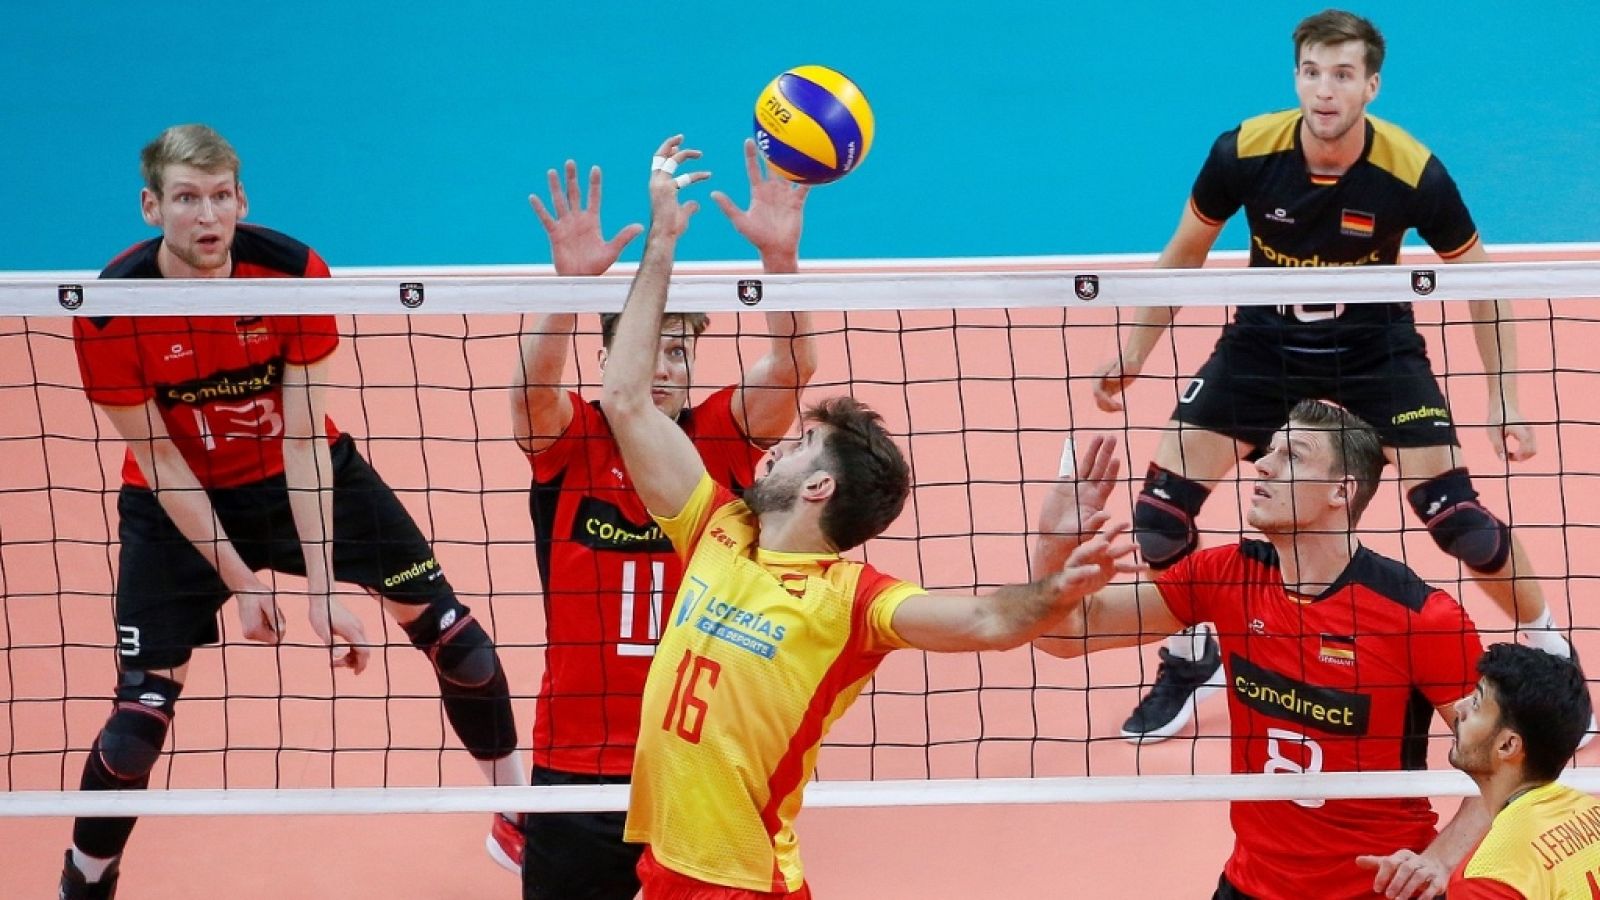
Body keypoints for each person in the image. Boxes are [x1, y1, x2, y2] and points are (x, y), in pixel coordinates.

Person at [608, 135, 1136, 897]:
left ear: (819, 489)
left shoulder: (853, 602)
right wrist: (662, 242)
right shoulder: (716, 529)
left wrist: (1061, 589)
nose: (773, 454)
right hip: (664, 868)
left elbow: (990, 623)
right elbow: (625, 401)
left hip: (744, 883)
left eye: (798, 448)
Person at [59, 124, 525, 899]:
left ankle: (520, 815)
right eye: (185, 199)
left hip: (300, 475)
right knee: (136, 724)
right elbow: (165, 463)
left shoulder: (292, 273)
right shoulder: (110, 310)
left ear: (241, 200)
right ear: (152, 208)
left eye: (219, 197)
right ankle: (85, 877)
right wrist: (243, 582)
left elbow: (306, 438)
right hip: (178, 505)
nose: (206, 216)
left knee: (458, 641)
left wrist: (318, 585)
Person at [1089, 8, 1580, 744]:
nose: (1325, 90)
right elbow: (1183, 253)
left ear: (1371, 86)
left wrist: (1505, 395)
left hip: (1375, 353)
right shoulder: (1245, 152)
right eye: (1313, 73)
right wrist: (1134, 351)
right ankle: (1193, 654)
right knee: (1159, 523)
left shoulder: (1409, 170)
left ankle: (1551, 649)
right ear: (1297, 78)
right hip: (1262, 350)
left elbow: (1485, 282)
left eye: (1343, 75)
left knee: (1463, 526)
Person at [496, 141, 817, 898]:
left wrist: (780, 261)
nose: (667, 367)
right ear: (615, 359)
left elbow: (794, 369)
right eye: (651, 350)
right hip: (579, 756)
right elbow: (528, 390)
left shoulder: (723, 435)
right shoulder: (570, 441)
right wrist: (571, 292)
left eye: (681, 350)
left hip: (697, 748)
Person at [1036, 399, 1491, 899]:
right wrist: (1051, 545)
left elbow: (1509, 763)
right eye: (1269, 450)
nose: (1263, 465)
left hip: (1377, 890)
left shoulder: (1420, 617)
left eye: (1293, 455)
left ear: (1342, 490)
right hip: (1250, 886)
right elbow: (1063, 635)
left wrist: (1439, 861)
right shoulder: (1226, 575)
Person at [1442, 642, 1596, 898]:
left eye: (1477, 703)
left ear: (1507, 745)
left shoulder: (1487, 879)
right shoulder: (1592, 811)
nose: (1460, 707)